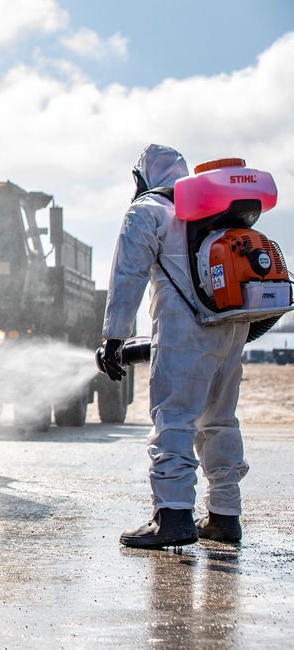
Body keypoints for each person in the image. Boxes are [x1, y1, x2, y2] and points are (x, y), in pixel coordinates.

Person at [99, 144, 249, 549]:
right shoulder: (212, 209)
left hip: (185, 330)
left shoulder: (147, 211)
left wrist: (114, 336)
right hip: (231, 325)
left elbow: (127, 275)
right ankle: (224, 516)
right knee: (220, 420)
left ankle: (173, 515)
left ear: (144, 176)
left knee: (174, 418)